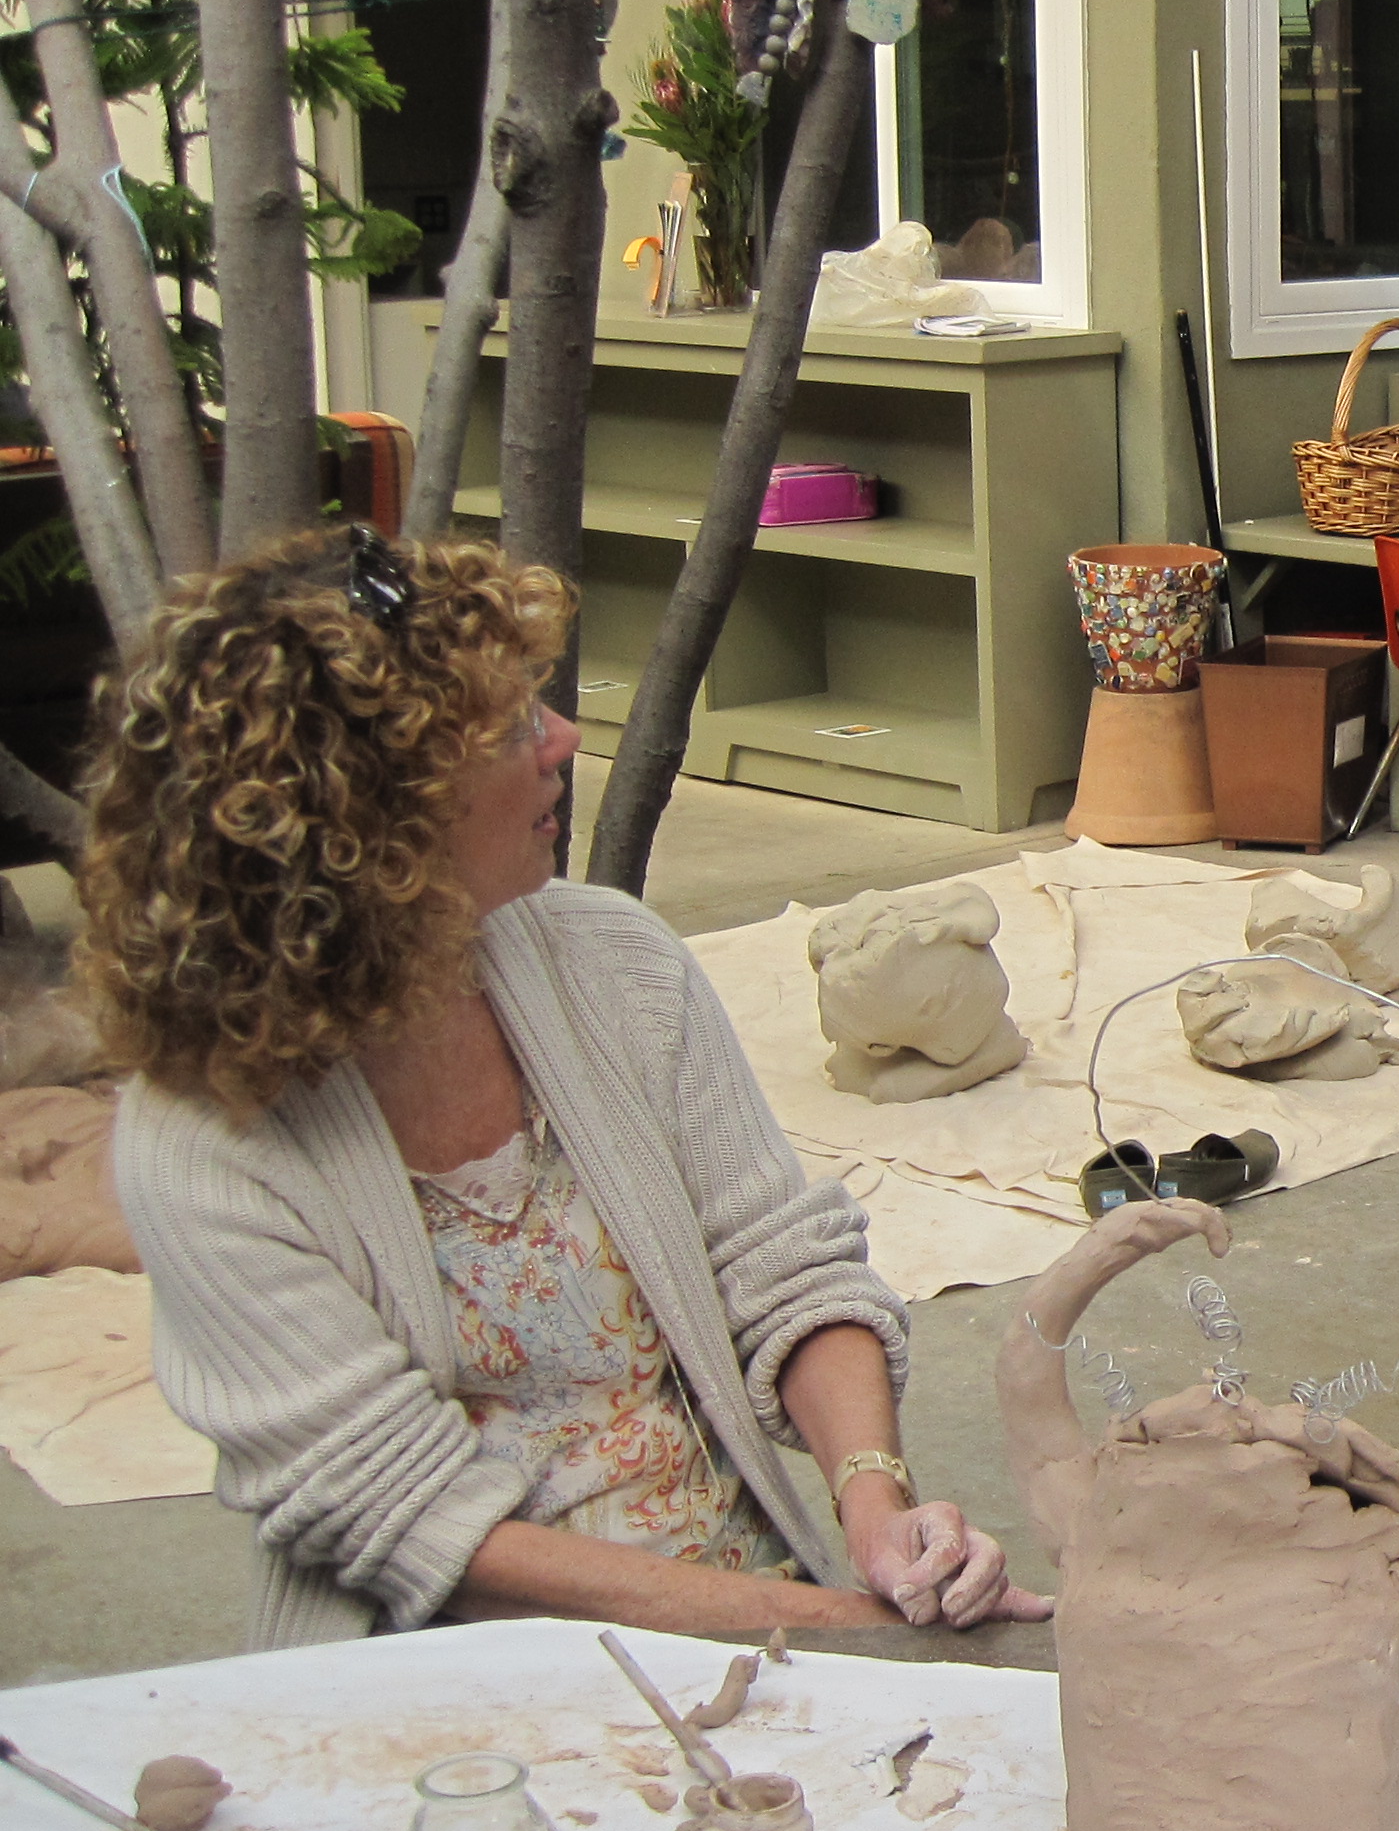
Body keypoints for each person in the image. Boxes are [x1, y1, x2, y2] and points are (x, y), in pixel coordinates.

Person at [82, 526, 1042, 1649]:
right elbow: (416, 1527)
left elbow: (784, 1268)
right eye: (507, 728)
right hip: (457, 1676)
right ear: (368, 820)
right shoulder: (206, 1143)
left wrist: (875, 1505)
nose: (563, 737)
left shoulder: (614, 963)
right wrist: (829, 1629)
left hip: (762, 1610)